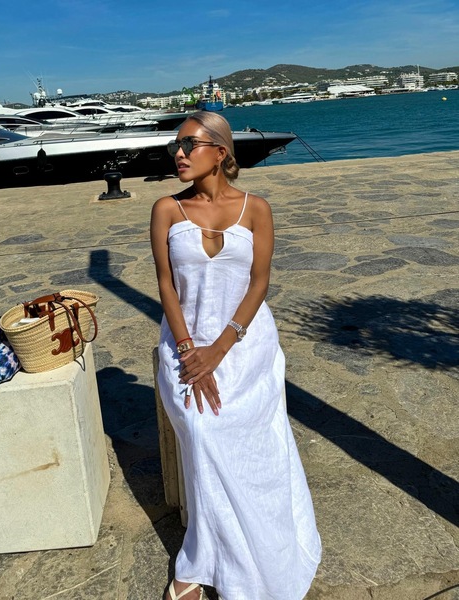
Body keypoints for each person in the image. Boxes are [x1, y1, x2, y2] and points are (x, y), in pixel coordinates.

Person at [150, 111, 321, 600]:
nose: (179, 154)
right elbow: (166, 285)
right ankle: (203, 556)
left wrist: (220, 349)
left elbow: (259, 283)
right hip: (186, 342)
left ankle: (259, 542)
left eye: (189, 144)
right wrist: (190, 352)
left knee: (246, 434)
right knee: (203, 428)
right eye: (176, 146)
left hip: (244, 344)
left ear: (220, 152)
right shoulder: (166, 209)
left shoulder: (257, 209)